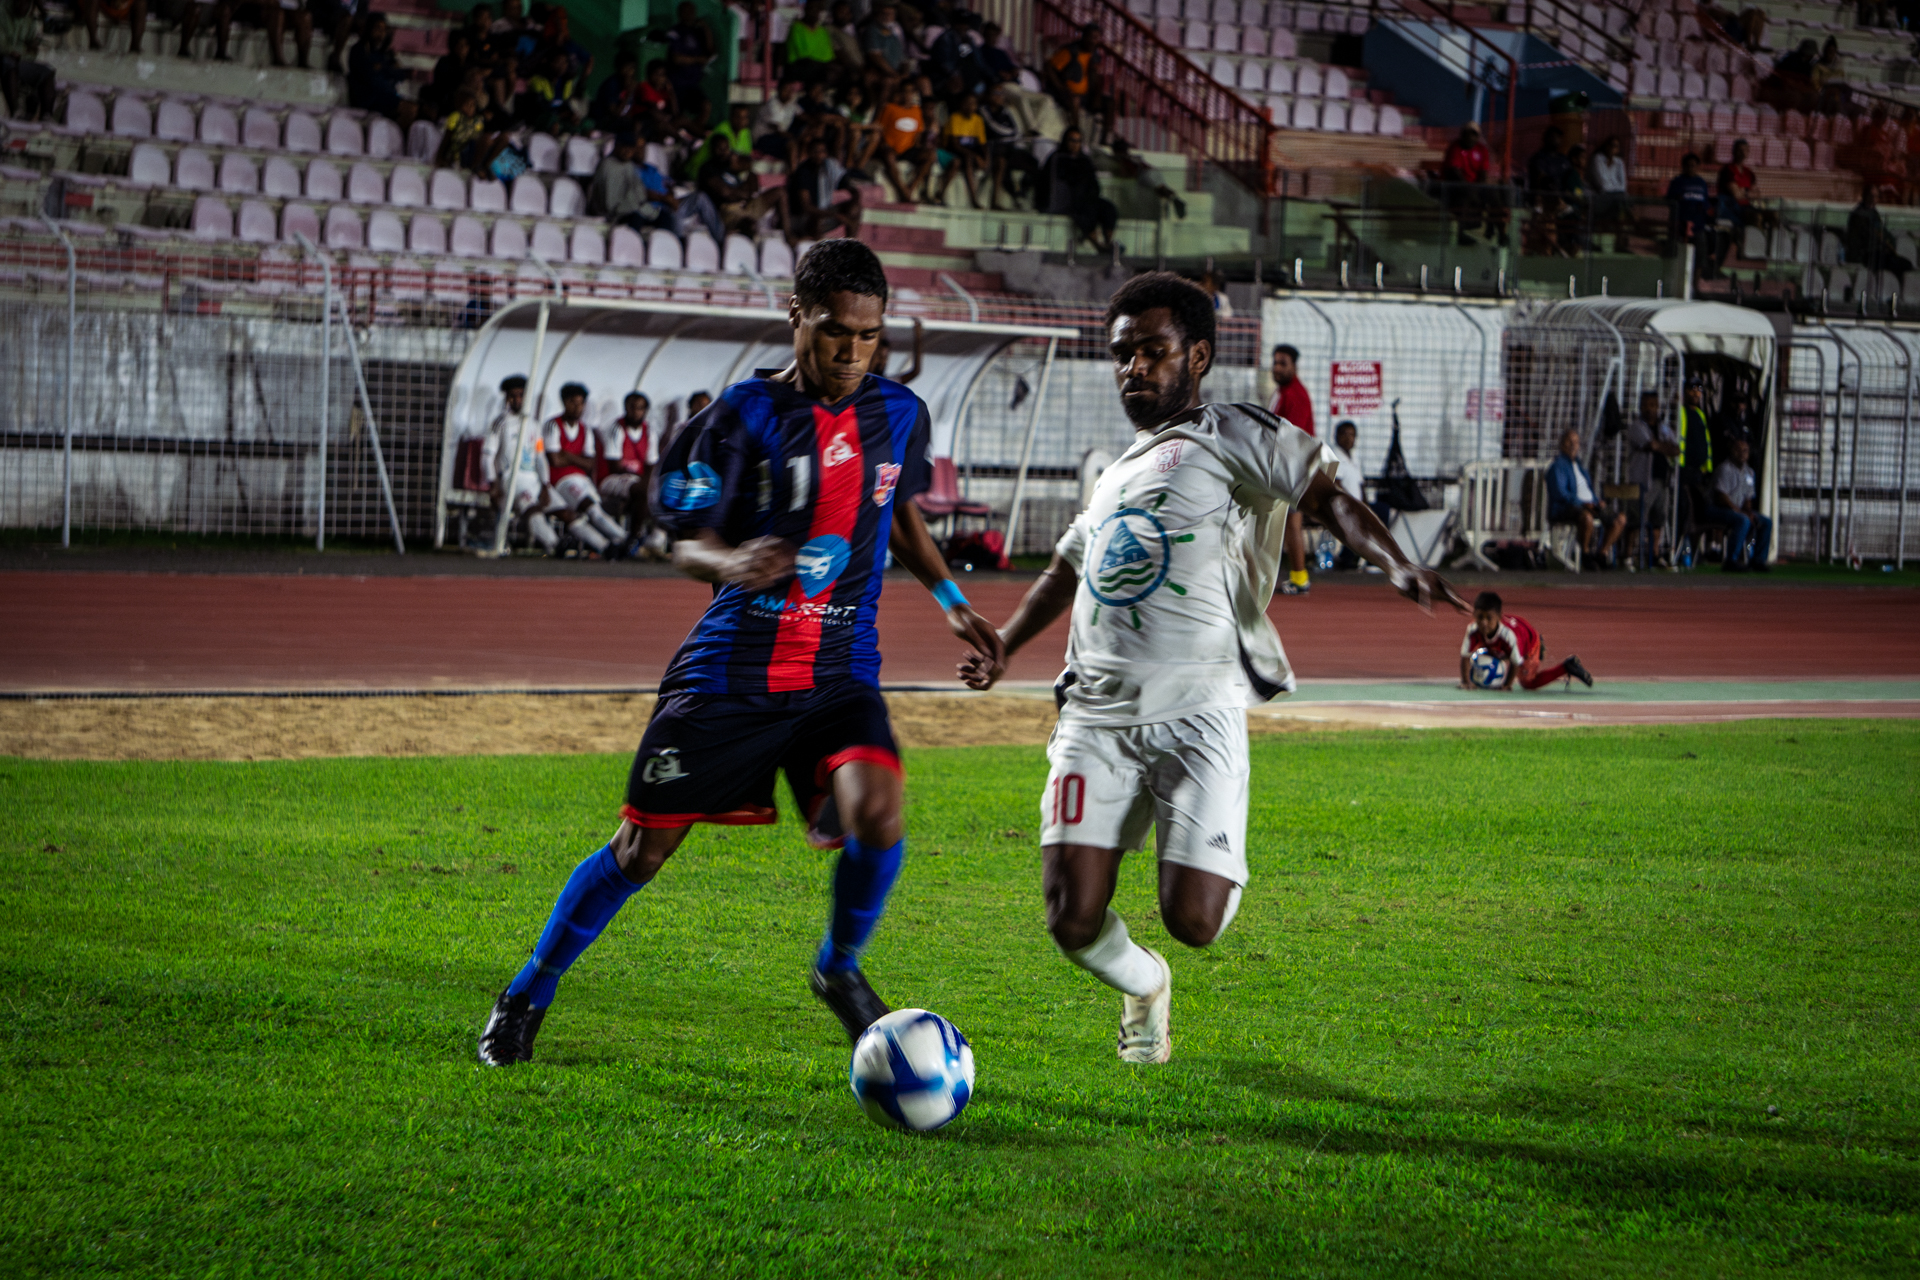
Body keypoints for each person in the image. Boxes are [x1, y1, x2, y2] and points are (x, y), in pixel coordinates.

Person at [478, 239, 1006, 1066]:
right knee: (641, 851)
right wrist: (730, 562)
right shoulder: (735, 416)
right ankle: (529, 989)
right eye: (836, 331)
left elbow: (897, 510)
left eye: (869, 336)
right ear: (796, 316)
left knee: (881, 809)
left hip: (839, 668)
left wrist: (954, 603)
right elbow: (686, 540)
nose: (852, 352)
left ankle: (838, 968)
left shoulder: (900, 412)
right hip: (734, 669)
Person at [955, 272, 1467, 1066]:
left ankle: (1192, 902)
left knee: (1193, 919)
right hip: (1094, 712)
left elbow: (1327, 498)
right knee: (1070, 918)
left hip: (1198, 708)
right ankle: (1143, 983)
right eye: (1122, 355)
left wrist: (1396, 564)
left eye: (1151, 352)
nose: (1133, 369)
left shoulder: (1232, 433)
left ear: (1196, 356)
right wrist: (1005, 643)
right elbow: (1067, 566)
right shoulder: (1118, 470)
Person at [541, 382, 631, 557]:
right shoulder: (552, 425)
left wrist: (567, 454)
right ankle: (622, 538)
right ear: (564, 402)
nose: (578, 407)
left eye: (581, 403)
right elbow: (554, 460)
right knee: (591, 509)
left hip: (582, 480)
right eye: (573, 402)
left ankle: (606, 546)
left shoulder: (585, 430)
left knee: (592, 511)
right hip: (561, 480)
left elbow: (590, 463)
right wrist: (577, 460)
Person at [481, 375, 562, 556]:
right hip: (511, 480)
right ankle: (556, 544)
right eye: (513, 396)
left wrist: (545, 484)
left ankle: (604, 547)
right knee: (531, 507)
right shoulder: (499, 423)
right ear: (507, 398)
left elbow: (540, 456)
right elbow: (487, 456)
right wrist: (492, 484)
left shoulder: (534, 425)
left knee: (564, 511)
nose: (517, 400)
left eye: (521, 395)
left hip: (533, 478)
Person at [1459, 591, 1593, 691]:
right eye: (1480, 617)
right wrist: (1465, 682)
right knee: (1482, 651)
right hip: (1515, 632)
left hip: (1528, 643)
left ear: (1499, 617)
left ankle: (1566, 666)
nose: (1483, 622)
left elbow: (1515, 663)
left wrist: (1506, 685)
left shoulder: (1509, 636)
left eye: (1489, 618)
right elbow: (1465, 656)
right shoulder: (1473, 629)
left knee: (1528, 683)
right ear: (1474, 614)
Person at [1267, 343, 1315, 595]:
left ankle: (1299, 578)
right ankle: (1298, 576)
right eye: (1275, 362)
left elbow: (1291, 437)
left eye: (1283, 363)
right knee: (1288, 523)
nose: (1277, 367)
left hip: (1291, 469)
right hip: (1286, 468)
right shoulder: (1284, 392)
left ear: (1294, 367)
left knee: (1291, 523)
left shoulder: (1295, 395)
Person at [1546, 429, 1626, 568]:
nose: (1573, 445)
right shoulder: (1557, 466)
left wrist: (1596, 501)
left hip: (1590, 504)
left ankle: (1602, 554)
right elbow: (1561, 494)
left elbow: (1587, 489)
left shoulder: (1580, 466)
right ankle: (1586, 553)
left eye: (1576, 442)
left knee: (1620, 519)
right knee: (1587, 518)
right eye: (1569, 442)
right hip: (1568, 507)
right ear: (1562, 444)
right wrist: (1583, 504)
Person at [599, 391, 662, 554]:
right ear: (625, 408)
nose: (635, 412)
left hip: (636, 480)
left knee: (658, 489)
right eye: (632, 408)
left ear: (645, 411)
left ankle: (655, 538)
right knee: (642, 489)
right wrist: (643, 480)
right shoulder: (616, 428)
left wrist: (646, 480)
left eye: (640, 408)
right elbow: (615, 466)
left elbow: (651, 464)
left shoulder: (650, 432)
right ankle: (635, 536)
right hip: (611, 479)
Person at [1039, 126, 1117, 254]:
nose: (1075, 144)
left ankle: (1108, 243)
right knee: (1086, 211)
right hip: (1066, 201)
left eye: (1078, 141)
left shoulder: (1084, 160)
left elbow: (1093, 183)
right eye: (1072, 140)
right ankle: (1097, 244)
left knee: (1108, 208)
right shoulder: (1057, 158)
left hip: (1087, 198)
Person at [1626, 389, 1679, 567]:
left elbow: (1676, 449)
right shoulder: (1636, 427)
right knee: (1636, 517)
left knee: (1659, 517)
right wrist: (1663, 446)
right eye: (1646, 405)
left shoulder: (1663, 427)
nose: (1650, 409)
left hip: (1662, 479)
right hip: (1642, 480)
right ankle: (1628, 555)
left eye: (1653, 405)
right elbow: (1650, 445)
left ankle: (1654, 554)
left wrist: (1661, 446)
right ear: (1641, 406)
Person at [1703, 437, 1772, 572]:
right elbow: (1720, 497)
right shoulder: (1725, 469)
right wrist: (1741, 512)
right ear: (1732, 451)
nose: (1742, 453)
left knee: (1765, 522)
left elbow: (1748, 498)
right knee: (1743, 520)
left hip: (1736, 510)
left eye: (1745, 450)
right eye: (1738, 450)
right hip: (1717, 509)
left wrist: (1749, 512)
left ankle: (1758, 560)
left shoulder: (1749, 472)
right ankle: (1731, 560)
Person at [868, 81, 936, 203]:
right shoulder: (890, 108)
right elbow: (880, 128)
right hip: (891, 148)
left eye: (910, 92)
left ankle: (911, 188)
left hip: (908, 149)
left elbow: (918, 133)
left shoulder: (917, 111)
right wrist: (884, 144)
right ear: (899, 93)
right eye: (904, 91)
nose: (907, 95)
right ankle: (903, 191)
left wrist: (918, 147)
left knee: (931, 155)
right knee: (889, 156)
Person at [1442, 121, 1506, 247]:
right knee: (1464, 197)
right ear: (1462, 134)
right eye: (1467, 134)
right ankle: (1460, 233)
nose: (1470, 137)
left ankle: (1501, 232)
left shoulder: (1482, 149)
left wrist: (1478, 189)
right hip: (1455, 186)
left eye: (1474, 134)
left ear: (1477, 136)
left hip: (1474, 186)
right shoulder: (1455, 148)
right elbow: (1455, 173)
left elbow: (1483, 173)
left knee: (1494, 195)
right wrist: (1470, 189)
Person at [789, 134, 863, 237]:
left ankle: (851, 245)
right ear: (809, 153)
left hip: (825, 212)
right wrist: (834, 215)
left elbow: (847, 186)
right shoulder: (803, 172)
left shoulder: (829, 166)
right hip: (803, 218)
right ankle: (819, 247)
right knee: (816, 219)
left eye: (822, 151)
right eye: (816, 151)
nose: (819, 155)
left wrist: (855, 197)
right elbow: (806, 207)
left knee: (854, 208)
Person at [1044, 22, 1105, 137]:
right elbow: (1049, 67)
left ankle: (1108, 138)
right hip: (1066, 93)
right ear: (1084, 36)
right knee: (1074, 100)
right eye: (1090, 37)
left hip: (1085, 95)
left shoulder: (1095, 56)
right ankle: (1075, 132)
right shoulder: (1070, 51)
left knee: (1110, 102)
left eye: (1096, 38)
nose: (1093, 41)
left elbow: (1095, 80)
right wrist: (1060, 87)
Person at [0, 0, 57, 123]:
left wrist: (20, 52)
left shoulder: (27, 16)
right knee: (8, 62)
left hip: (19, 61)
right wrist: (21, 50)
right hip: (4, 61)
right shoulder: (2, 11)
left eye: (28, 4)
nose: (24, 8)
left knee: (46, 71)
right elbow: (2, 46)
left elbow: (33, 47)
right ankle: (15, 112)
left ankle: (46, 117)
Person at [983, 83, 1037, 210]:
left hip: (1009, 147)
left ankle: (1022, 192)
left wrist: (1010, 135)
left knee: (1033, 162)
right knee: (1002, 162)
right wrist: (1010, 134)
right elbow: (995, 128)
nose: (999, 97)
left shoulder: (1006, 111)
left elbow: (1015, 129)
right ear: (989, 96)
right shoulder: (984, 110)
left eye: (1001, 94)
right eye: (996, 94)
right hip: (993, 148)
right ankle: (996, 201)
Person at [664, 0, 715, 126]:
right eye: (686, 11)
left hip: (693, 84)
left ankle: (691, 134)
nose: (690, 14)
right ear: (680, 14)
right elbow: (676, 58)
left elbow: (710, 53)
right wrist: (697, 59)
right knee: (675, 116)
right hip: (676, 83)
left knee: (705, 106)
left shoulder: (697, 32)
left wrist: (706, 28)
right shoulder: (674, 31)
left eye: (692, 12)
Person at [1109, 137, 1186, 220]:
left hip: (1145, 174)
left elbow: (1131, 173)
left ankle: (1173, 200)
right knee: (1161, 188)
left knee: (1159, 189)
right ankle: (1174, 199)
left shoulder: (1122, 159)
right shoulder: (1132, 157)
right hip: (1153, 171)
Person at [1846, 185, 1913, 275]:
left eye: (1876, 196)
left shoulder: (1873, 213)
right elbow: (1863, 238)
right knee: (1898, 265)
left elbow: (1882, 231)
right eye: (1871, 196)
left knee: (1905, 264)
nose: (1873, 199)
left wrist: (1889, 242)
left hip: (1877, 252)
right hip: (1866, 255)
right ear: (1865, 196)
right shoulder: (1859, 214)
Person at [1667, 153, 1715, 276]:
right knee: (1679, 253)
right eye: (1688, 165)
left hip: (1698, 225)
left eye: (1693, 165)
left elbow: (1705, 202)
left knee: (1700, 256)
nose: (1690, 168)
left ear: (1697, 167)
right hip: (1681, 225)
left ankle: (1696, 285)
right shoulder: (1678, 182)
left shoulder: (1701, 183)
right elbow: (1670, 200)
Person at [937, 90, 987, 206]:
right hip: (954, 151)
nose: (971, 107)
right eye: (968, 103)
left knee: (971, 159)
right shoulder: (955, 118)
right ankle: (973, 199)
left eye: (974, 104)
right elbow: (955, 145)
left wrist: (985, 160)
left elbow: (983, 144)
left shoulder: (978, 120)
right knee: (967, 159)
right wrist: (975, 156)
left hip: (969, 152)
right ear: (961, 104)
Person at [347, 14, 403, 119]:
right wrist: (386, 70)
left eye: (384, 29)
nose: (381, 33)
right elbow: (368, 77)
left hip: (385, 96)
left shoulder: (384, 54)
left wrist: (382, 68)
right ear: (369, 28)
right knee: (404, 108)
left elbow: (399, 74)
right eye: (378, 28)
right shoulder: (358, 50)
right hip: (367, 99)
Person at [1588, 135, 1631, 250]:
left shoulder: (1619, 162)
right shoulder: (1597, 159)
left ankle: (1620, 242)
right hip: (1601, 198)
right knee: (1622, 201)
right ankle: (1626, 234)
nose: (1613, 149)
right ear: (1606, 146)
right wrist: (1616, 190)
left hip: (1616, 199)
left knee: (1620, 203)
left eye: (1616, 147)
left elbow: (1623, 185)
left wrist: (1615, 190)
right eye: (1611, 146)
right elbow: (1602, 185)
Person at [785, 0, 836, 84]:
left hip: (819, 67)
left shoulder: (822, 31)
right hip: (799, 66)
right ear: (805, 10)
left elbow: (828, 55)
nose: (814, 12)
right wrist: (821, 60)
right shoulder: (796, 28)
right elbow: (803, 53)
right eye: (811, 9)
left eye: (817, 10)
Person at [869, 316, 922, 383]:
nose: (882, 362)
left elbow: (915, 373)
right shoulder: (861, 380)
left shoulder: (888, 383)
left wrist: (918, 337)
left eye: (885, 358)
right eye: (880, 357)